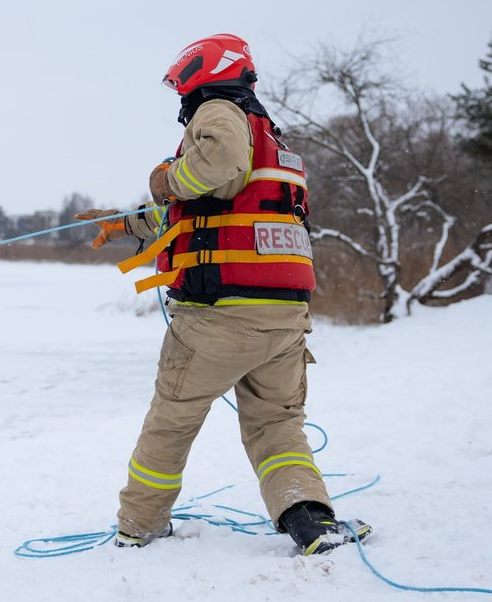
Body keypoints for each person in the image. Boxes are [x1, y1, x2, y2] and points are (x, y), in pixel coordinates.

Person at [77, 33, 372, 555]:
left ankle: (138, 525)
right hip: (282, 319)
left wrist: (168, 178)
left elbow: (212, 168)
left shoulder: (217, 112)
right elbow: (204, 212)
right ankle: (311, 520)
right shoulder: (268, 138)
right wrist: (124, 225)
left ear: (203, 73)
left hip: (218, 317)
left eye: (179, 86)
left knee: (172, 419)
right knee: (277, 425)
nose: (179, 99)